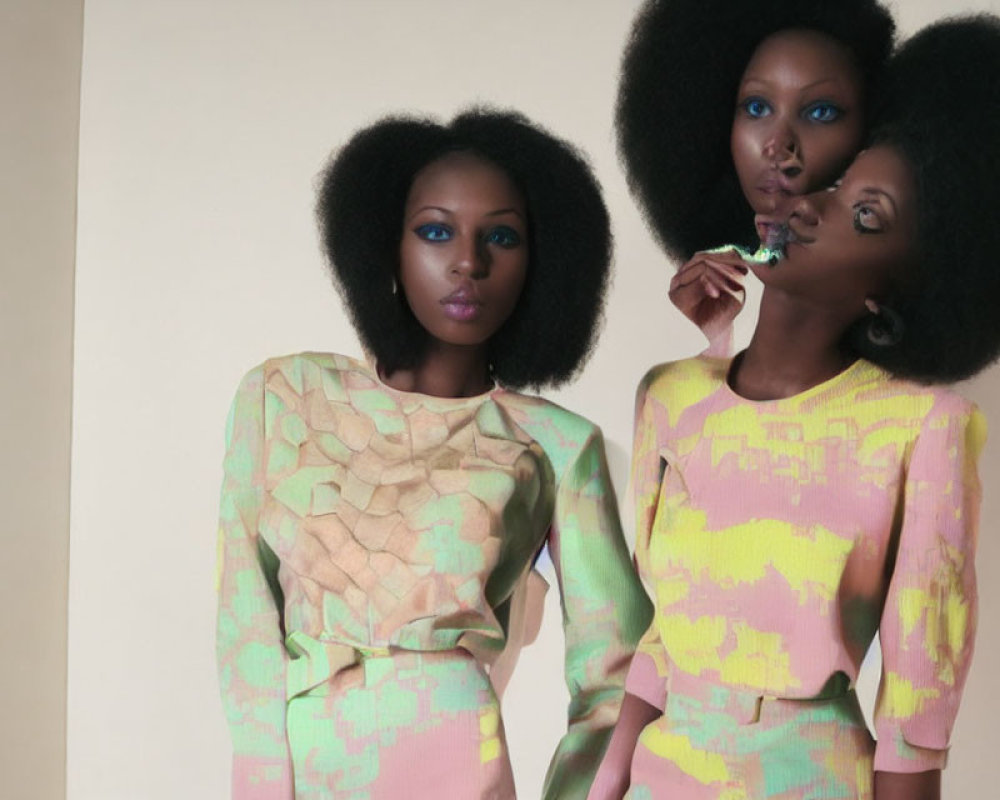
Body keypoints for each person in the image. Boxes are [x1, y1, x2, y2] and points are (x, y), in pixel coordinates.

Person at [591, 14, 1000, 800]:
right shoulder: (671, 397)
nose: (793, 171)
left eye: (863, 210)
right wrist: (607, 782)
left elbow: (918, 704)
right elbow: (663, 633)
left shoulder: (924, 427)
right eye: (755, 108)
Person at [215, 109, 652, 799]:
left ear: (541, 262)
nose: (468, 262)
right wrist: (263, 784)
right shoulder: (281, 396)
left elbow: (621, 672)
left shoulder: (557, 445)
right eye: (436, 230)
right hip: (303, 765)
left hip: (458, 766)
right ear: (387, 244)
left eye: (501, 237)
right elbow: (244, 619)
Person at [616, 0, 895, 354]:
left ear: (872, 130)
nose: (777, 148)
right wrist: (718, 339)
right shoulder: (670, 393)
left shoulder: (933, 411)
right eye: (757, 107)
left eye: (820, 112)